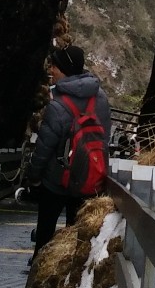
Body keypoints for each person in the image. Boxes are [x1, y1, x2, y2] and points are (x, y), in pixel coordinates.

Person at [21, 43, 108, 247]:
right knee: (76, 235)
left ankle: (39, 269)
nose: (51, 70)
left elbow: (44, 147)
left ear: (64, 70)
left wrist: (33, 177)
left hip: (56, 180)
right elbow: (104, 139)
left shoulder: (58, 104)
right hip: (88, 177)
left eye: (55, 67)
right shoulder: (101, 98)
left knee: (45, 231)